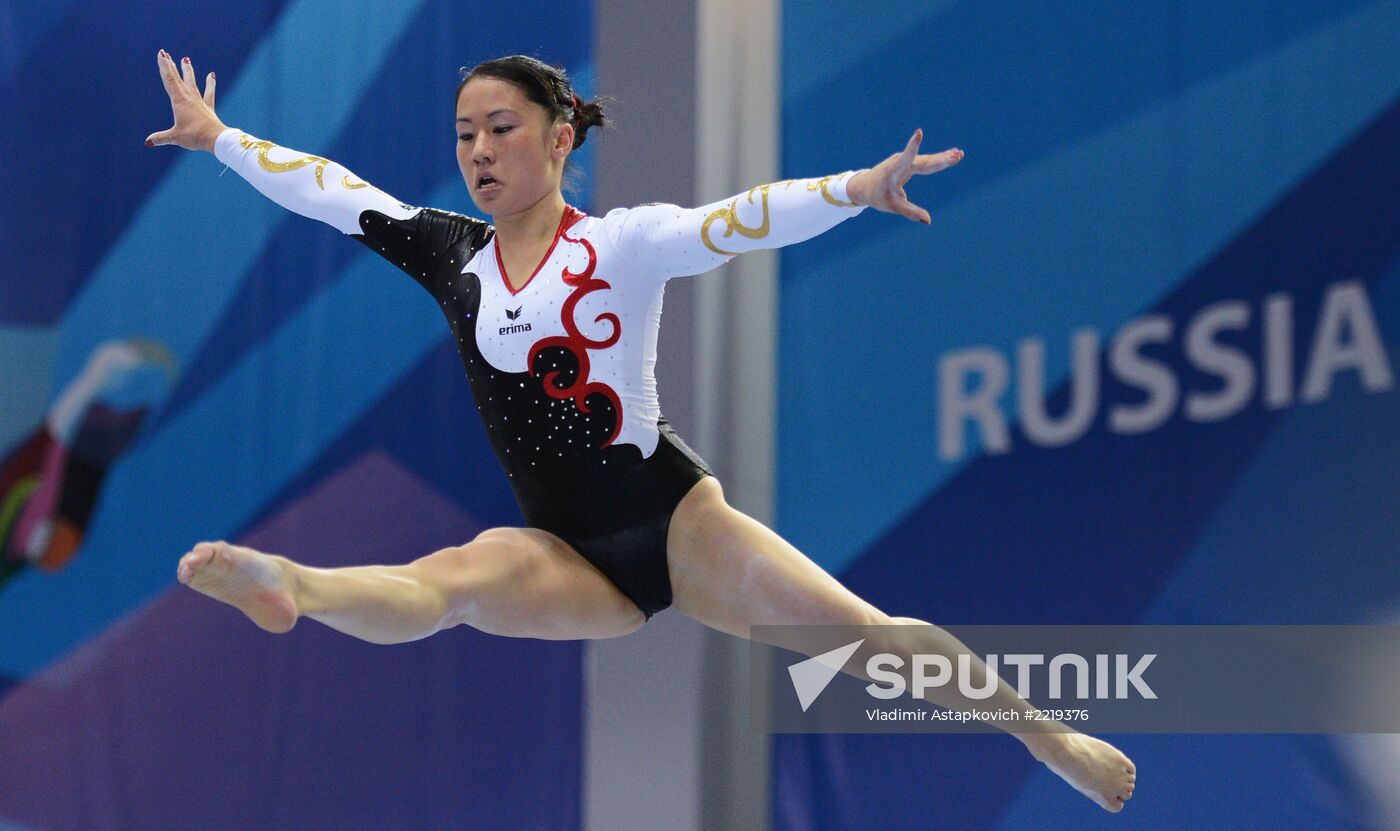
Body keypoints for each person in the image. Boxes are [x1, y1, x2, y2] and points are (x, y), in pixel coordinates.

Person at [148, 48, 1137, 813]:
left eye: (501, 128)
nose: (480, 152)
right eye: (464, 136)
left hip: (675, 526)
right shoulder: (453, 258)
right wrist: (220, 136)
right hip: (560, 549)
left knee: (866, 642)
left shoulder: (616, 245)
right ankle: (293, 588)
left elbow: (736, 220)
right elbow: (328, 191)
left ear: (560, 137)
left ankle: (1045, 738)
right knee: (450, 583)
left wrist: (855, 190)